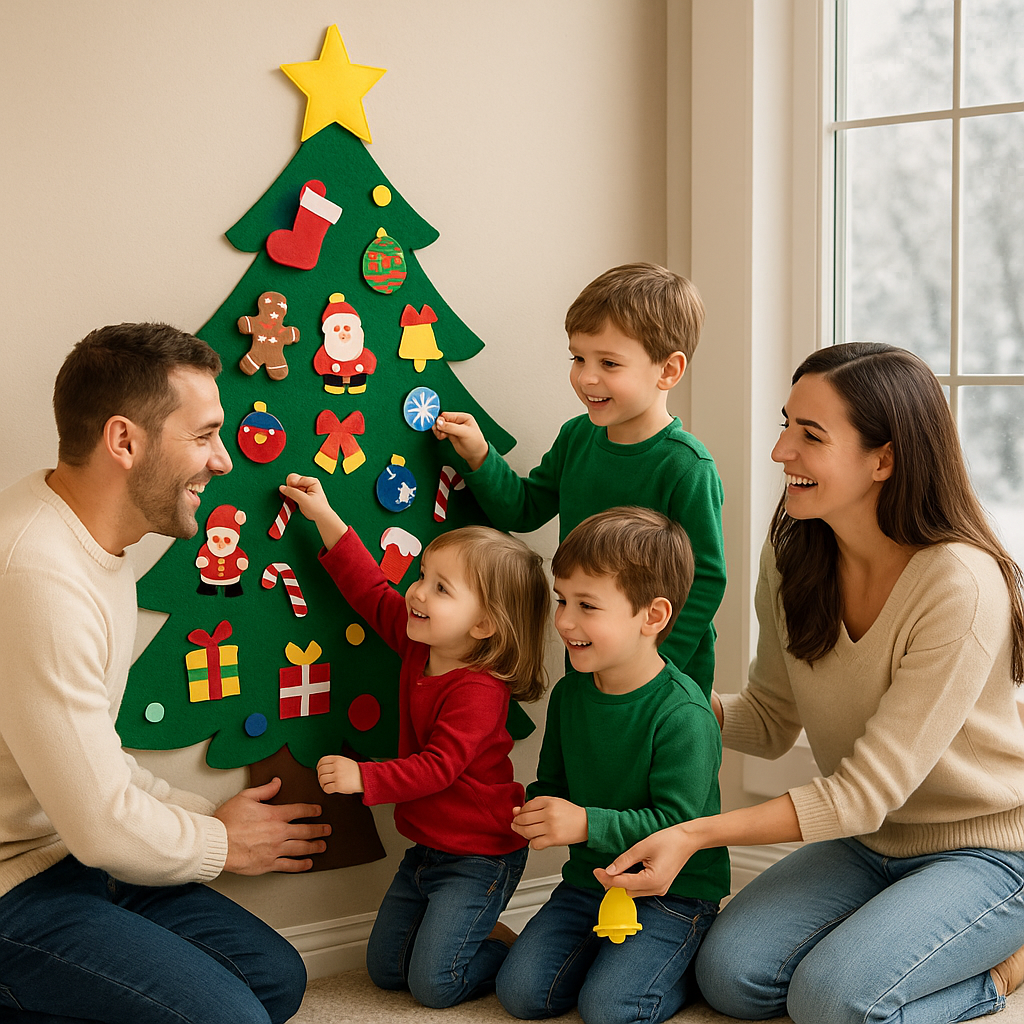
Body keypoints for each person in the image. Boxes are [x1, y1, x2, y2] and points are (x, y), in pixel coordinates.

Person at [599, 342, 1024, 1024]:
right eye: (785, 424)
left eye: (810, 436)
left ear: (883, 459)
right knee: (730, 976)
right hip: (871, 841)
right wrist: (646, 696)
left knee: (830, 1002)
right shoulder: (795, 554)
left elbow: (862, 792)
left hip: (989, 849)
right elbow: (769, 721)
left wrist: (696, 834)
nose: (779, 452)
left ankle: (1000, 972)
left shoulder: (959, 584)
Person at [0, 323, 330, 1024]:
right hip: (12, 886)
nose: (223, 461)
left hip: (67, 850)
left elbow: (95, 763)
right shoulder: (36, 575)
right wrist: (222, 843)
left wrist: (205, 816)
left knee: (273, 979)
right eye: (206, 434)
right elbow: (101, 825)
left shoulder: (94, 540)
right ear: (125, 441)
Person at [278, 471, 551, 1009]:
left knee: (435, 986)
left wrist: (366, 776)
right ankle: (469, 934)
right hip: (427, 850)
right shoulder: (416, 638)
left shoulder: (478, 690)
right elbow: (370, 590)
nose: (417, 591)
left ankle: (511, 951)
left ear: (484, 625)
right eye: (423, 574)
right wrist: (325, 517)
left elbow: (439, 767)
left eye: (439, 588)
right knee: (384, 971)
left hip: (480, 856)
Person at [433, 262, 726, 699]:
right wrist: (479, 455)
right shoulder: (577, 437)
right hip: (586, 649)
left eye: (608, 362)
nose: (587, 377)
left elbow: (704, 580)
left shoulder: (687, 467)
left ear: (667, 370)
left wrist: (655, 666)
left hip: (664, 675)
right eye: (578, 358)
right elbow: (525, 508)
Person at [495, 507, 729, 1024]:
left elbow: (680, 826)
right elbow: (553, 783)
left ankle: (686, 960)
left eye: (587, 605)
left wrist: (583, 822)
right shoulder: (569, 695)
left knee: (611, 1011)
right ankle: (621, 961)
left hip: (674, 892)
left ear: (653, 616)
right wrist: (535, 809)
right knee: (521, 994)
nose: (564, 621)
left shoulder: (683, 714)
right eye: (562, 600)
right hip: (590, 881)